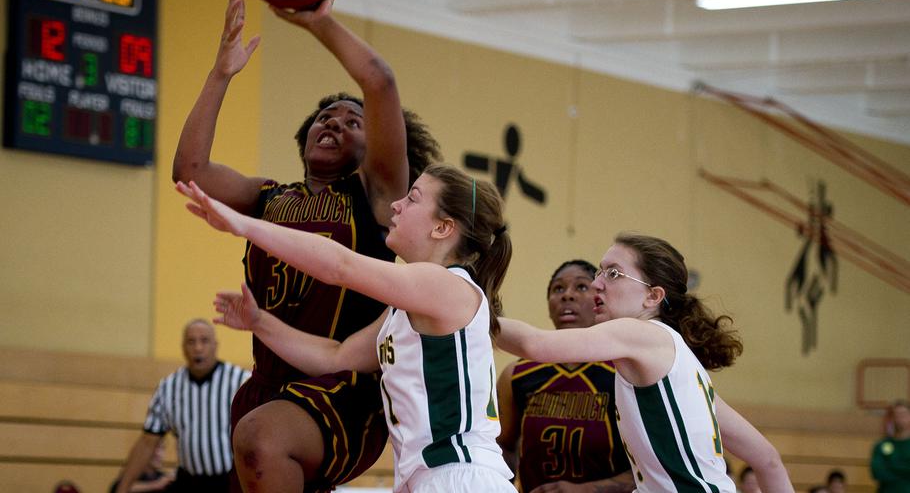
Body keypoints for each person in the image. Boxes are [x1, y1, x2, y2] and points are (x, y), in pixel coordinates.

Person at [171, 0, 440, 493]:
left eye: (352, 121)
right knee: (260, 438)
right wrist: (221, 74)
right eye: (326, 117)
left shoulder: (377, 195)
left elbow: (379, 81)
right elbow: (190, 170)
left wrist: (317, 22)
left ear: (371, 146)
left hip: (342, 388)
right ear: (305, 136)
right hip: (267, 384)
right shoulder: (268, 197)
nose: (335, 122)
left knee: (262, 438)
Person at [176, 163, 515, 492]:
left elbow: (340, 265)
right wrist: (260, 322)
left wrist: (245, 225)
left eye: (412, 198)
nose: (396, 204)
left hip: (460, 477)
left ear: (442, 228)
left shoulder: (446, 286)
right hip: (430, 478)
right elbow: (335, 356)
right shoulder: (409, 305)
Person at [496, 233, 794, 493]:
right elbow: (766, 458)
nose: (597, 283)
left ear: (652, 296)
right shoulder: (681, 365)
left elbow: (535, 344)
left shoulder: (640, 333)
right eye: (599, 272)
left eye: (612, 274)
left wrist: (467, 307)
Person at [496, 259, 634, 493]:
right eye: (558, 289)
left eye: (581, 287)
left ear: (599, 300)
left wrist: (588, 490)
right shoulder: (516, 374)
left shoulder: (624, 373)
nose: (567, 296)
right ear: (549, 304)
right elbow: (503, 447)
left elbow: (652, 468)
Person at [115, 320, 250, 493]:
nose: (198, 348)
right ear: (183, 347)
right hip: (189, 482)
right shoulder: (168, 387)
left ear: (215, 346)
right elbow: (148, 442)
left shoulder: (240, 381)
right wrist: (123, 487)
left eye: (204, 341)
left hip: (230, 482)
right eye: (191, 341)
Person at [871, 400, 910, 493]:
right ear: (891, 418)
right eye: (896, 415)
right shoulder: (881, 446)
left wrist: (891, 467)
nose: (900, 418)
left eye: (903, 414)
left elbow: (886, 470)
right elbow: (877, 472)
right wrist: (905, 471)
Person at [110, 442, 175, 493]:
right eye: (154, 448)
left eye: (162, 448)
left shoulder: (163, 478)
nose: (159, 454)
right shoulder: (132, 476)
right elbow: (118, 488)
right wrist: (155, 485)